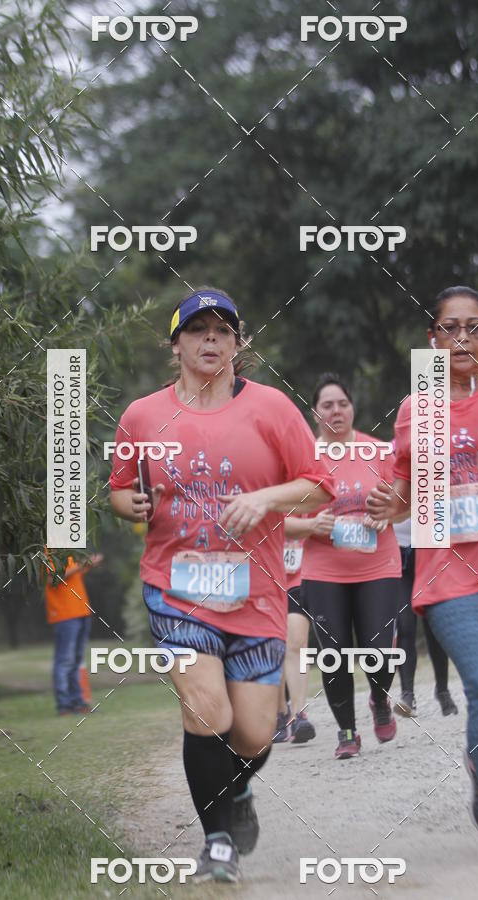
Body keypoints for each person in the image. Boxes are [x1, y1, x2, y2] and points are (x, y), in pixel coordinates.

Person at [109, 288, 333, 883]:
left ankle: (235, 794)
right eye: (198, 331)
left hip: (257, 591)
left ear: (238, 343)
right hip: (177, 586)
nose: (211, 341)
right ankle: (218, 844)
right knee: (206, 709)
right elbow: (120, 491)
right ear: (176, 343)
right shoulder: (142, 416)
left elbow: (319, 486)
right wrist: (129, 505)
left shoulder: (273, 409)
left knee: (256, 731)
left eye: (223, 331)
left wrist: (265, 498)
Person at [366, 285, 478, 865]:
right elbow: (404, 487)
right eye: (450, 327)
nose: (462, 337)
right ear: (433, 339)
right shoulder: (417, 404)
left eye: (473, 327)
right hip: (451, 571)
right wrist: (388, 506)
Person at [295, 373, 402, 759]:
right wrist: (310, 524)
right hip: (324, 568)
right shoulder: (303, 458)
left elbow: (404, 502)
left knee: (378, 645)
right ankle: (347, 733)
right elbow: (279, 518)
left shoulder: (379, 451)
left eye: (342, 403)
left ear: (352, 408)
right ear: (314, 414)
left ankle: (380, 699)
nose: (336, 411)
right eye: (327, 405)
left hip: (379, 563)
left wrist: (387, 514)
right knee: (333, 651)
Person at [393, 517, 458, 717]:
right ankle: (407, 694)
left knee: (434, 623)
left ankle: (442, 690)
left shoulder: (430, 483)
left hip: (430, 550)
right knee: (405, 625)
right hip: (397, 551)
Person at [44, 552, 102, 715]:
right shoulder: (46, 551)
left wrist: (87, 565)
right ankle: (64, 705)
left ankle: (78, 702)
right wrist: (81, 565)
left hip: (80, 610)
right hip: (64, 614)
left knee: (76, 660)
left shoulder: (67, 550)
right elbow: (52, 579)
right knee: (64, 660)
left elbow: (72, 574)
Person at [273, 527, 316, 744]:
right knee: (274, 646)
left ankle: (299, 714)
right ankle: (280, 712)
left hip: (299, 577)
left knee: (297, 643)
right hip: (265, 577)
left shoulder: (309, 494)